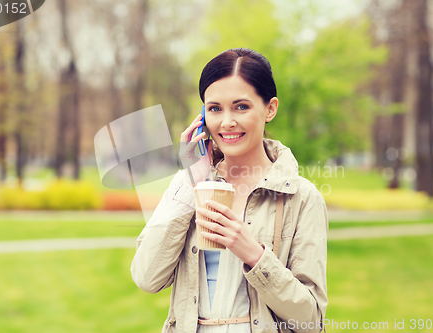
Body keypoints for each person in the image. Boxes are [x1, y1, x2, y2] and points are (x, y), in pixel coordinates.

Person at [131, 48, 328, 333]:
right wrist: (192, 183)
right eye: (215, 108)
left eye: (241, 106)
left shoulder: (302, 198)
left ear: (270, 108)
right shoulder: (190, 187)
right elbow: (147, 278)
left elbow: (311, 321)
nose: (226, 122)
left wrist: (255, 256)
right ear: (202, 116)